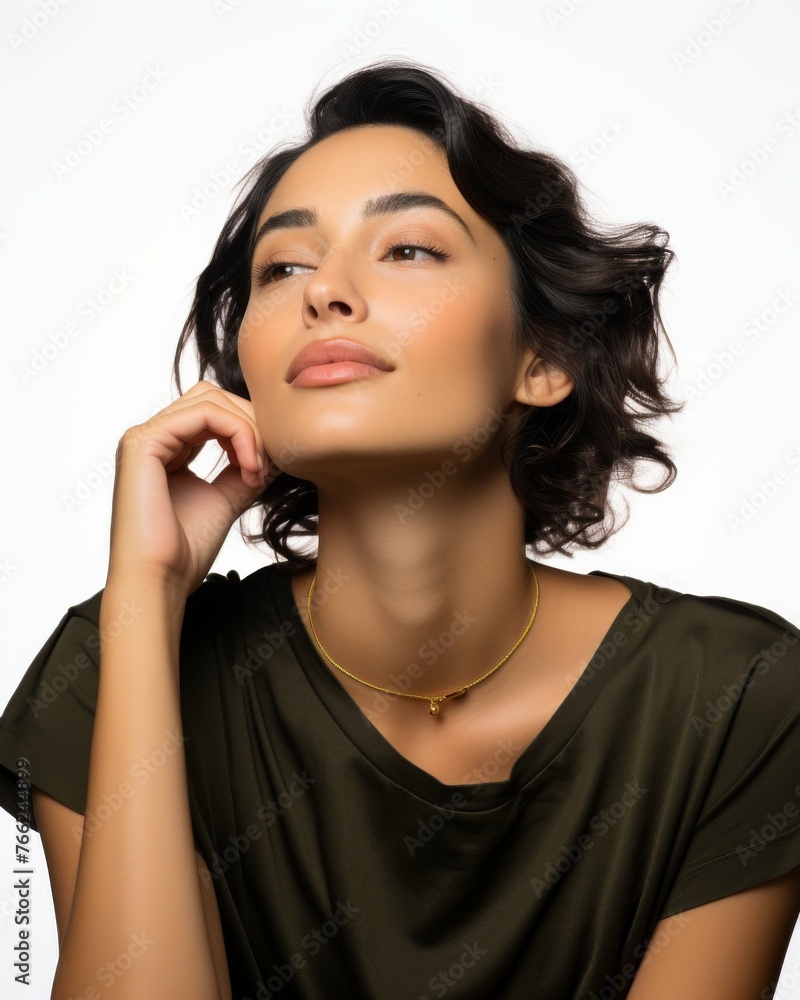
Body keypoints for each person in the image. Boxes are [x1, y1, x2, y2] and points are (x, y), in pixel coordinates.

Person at [1, 56, 799, 1000]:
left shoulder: (739, 697)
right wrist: (144, 597)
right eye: (282, 265)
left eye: (408, 249)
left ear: (543, 360)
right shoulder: (118, 663)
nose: (322, 293)